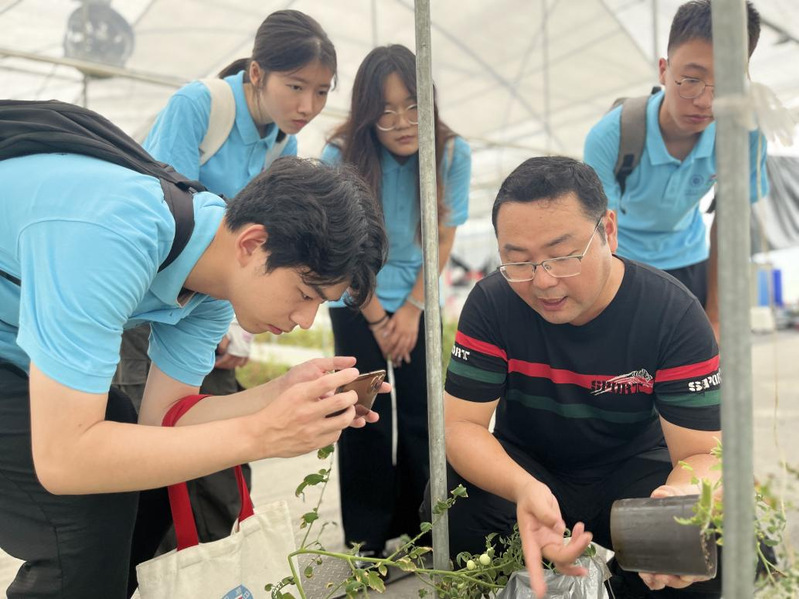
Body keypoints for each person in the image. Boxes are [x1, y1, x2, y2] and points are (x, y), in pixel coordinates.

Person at [0, 154, 387, 599]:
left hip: (17, 353)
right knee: (84, 523)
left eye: (319, 304)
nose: (305, 320)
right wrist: (263, 434)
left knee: (143, 475)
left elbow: (164, 419)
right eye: (304, 294)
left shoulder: (215, 279)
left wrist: (281, 394)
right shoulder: (115, 234)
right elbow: (65, 459)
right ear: (252, 244)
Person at [441, 156, 722, 599]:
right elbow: (461, 426)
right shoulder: (492, 303)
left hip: (631, 472)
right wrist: (523, 488)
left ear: (608, 230)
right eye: (519, 261)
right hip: (528, 466)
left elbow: (702, 453)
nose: (543, 281)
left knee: (709, 543)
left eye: (562, 256)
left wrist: (674, 503)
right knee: (450, 501)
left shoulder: (671, 314)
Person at [113, 8, 337, 551]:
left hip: (212, 304)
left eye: (322, 92)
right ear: (257, 73)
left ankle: (210, 561)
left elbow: (265, 252)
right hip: (148, 298)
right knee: (149, 436)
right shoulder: (199, 105)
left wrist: (234, 326)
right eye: (296, 86)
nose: (308, 106)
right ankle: (153, 565)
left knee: (213, 451)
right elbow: (171, 212)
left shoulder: (283, 145)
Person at [320, 44, 471, 559]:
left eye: (413, 106)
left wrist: (410, 309)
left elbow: (443, 236)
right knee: (362, 414)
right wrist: (378, 318)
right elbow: (343, 251)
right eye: (386, 111)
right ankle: (366, 540)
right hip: (354, 295)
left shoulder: (450, 152)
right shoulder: (340, 157)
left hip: (418, 297)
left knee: (423, 413)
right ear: (367, 114)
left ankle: (423, 527)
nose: (403, 123)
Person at [583, 0, 768, 340]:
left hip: (691, 263)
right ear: (663, 70)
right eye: (691, 80)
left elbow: (731, 223)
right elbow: (599, 233)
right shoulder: (611, 137)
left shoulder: (744, 133)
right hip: (625, 265)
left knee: (696, 365)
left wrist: (716, 316)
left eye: (727, 84)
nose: (705, 101)